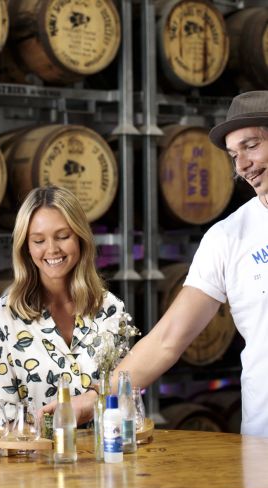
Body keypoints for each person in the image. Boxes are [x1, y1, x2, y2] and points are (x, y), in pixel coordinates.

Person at [42, 91, 268, 436]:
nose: (242, 165)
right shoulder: (227, 237)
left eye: (251, 146)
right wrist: (92, 399)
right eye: (234, 155)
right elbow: (167, 339)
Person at [0, 185, 130, 412]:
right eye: (38, 241)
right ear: (26, 248)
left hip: (105, 447)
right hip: (33, 448)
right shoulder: (1, 318)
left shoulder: (111, 309)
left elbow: (125, 399)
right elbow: (1, 418)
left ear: (80, 237)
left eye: (62, 236)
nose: (52, 249)